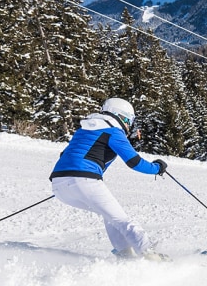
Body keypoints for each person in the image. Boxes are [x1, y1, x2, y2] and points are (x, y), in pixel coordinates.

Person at [50, 98, 170, 261]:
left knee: (110, 216)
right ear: (122, 117)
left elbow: (65, 155)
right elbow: (134, 162)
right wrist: (157, 168)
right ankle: (149, 253)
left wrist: (70, 182)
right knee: (122, 219)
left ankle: (124, 254)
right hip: (83, 180)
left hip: (59, 185)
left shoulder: (85, 129)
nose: (129, 126)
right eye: (129, 121)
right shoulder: (113, 131)